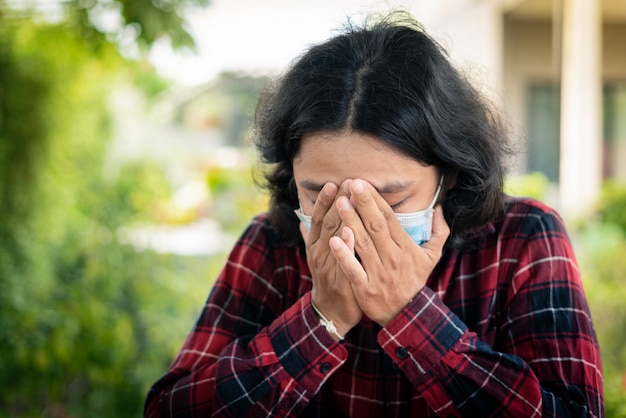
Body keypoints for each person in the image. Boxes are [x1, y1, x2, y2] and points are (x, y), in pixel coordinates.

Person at [144, 13, 603, 417]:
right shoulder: (272, 243)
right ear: (292, 179)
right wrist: (320, 319)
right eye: (321, 196)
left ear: (450, 174)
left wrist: (410, 313)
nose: (353, 224)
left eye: (391, 200)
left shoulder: (523, 238)